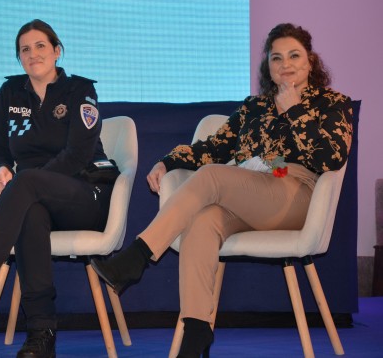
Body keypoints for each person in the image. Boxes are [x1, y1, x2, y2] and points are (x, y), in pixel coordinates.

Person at [91, 23, 353, 358]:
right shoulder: (254, 108)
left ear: (310, 62)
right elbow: (211, 148)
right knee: (204, 221)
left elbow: (332, 157)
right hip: (253, 191)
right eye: (276, 58)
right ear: (268, 67)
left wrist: (295, 111)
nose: (285, 64)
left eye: (294, 55)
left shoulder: (332, 103)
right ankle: (196, 332)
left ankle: (138, 256)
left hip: (298, 193)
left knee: (213, 178)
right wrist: (167, 163)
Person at [0, 19, 117, 358]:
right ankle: (41, 333)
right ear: (19, 58)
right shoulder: (9, 93)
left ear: (56, 51)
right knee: (31, 215)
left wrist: (20, 182)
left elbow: (77, 155)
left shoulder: (80, 91)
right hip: (34, 198)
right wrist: (3, 171)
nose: (32, 54)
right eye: (24, 49)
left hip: (84, 195)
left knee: (28, 186)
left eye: (40, 46)